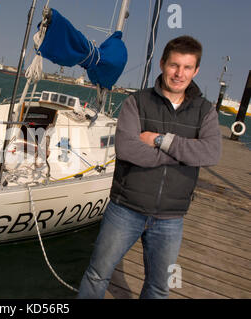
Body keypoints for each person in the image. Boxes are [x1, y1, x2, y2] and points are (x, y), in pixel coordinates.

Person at [77, 35, 222, 299]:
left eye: (187, 67)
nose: (179, 74)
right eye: (174, 65)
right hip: (125, 209)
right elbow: (128, 149)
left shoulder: (205, 111)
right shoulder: (138, 102)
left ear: (196, 70)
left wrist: (160, 141)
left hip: (171, 216)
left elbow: (211, 152)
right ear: (162, 64)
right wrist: (185, 154)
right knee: (97, 275)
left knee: (158, 287)